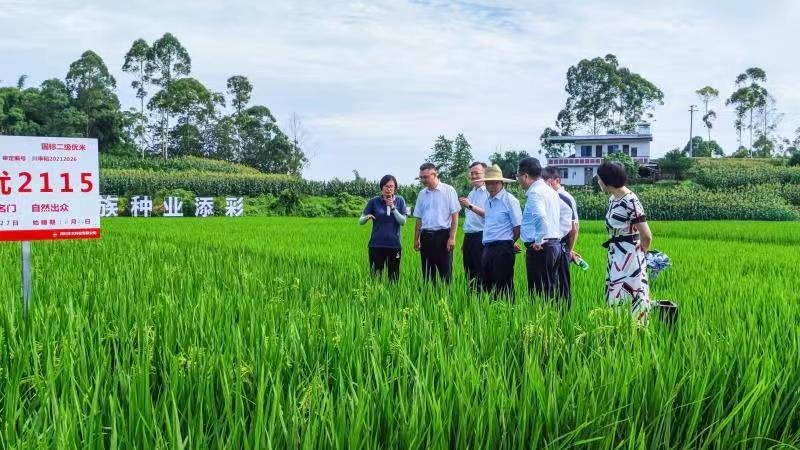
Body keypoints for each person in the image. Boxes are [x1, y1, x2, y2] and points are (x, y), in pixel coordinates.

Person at [597, 161, 653, 324]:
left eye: (600, 179)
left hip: (630, 257)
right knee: (615, 295)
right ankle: (618, 330)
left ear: (607, 179)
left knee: (633, 294)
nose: (599, 182)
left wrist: (640, 258)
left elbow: (647, 235)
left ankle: (637, 333)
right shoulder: (613, 199)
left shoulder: (630, 201)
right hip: (616, 255)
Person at [516, 157, 565, 304]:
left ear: (525, 176)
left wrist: (539, 240)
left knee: (539, 295)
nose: (518, 179)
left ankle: (542, 325)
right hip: (553, 245)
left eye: (518, 176)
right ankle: (551, 323)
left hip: (541, 249)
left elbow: (541, 217)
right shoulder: (550, 191)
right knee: (550, 291)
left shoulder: (535, 192)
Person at [476, 165, 522, 300]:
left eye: (495, 182)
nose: (492, 186)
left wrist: (508, 243)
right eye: (488, 183)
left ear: (501, 182)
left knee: (503, 285)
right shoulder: (488, 200)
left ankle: (508, 313)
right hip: (488, 247)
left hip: (503, 248)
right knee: (488, 284)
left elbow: (518, 227)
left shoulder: (510, 200)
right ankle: (492, 314)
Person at [413, 163, 460, 284]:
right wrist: (416, 239)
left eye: (425, 177)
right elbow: (418, 218)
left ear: (434, 174)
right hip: (426, 237)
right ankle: (430, 299)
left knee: (446, 274)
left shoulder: (449, 190)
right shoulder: (422, 194)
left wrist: (452, 237)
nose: (423, 180)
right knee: (428, 275)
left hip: (443, 236)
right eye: (421, 177)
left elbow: (455, 215)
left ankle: (447, 300)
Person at [542, 166, 579, 306]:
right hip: (548, 245)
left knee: (562, 286)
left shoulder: (565, 198)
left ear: (556, 180)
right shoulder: (545, 197)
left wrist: (569, 251)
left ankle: (564, 319)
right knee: (549, 284)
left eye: (547, 181)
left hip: (561, 246)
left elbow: (574, 228)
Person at [360, 175, 407, 282]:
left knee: (394, 278)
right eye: (386, 186)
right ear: (381, 187)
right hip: (376, 245)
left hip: (394, 245)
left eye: (391, 186)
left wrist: (393, 208)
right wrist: (367, 217)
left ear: (395, 188)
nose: (389, 189)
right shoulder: (374, 201)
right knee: (375, 277)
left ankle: (393, 297)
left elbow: (403, 222)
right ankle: (375, 296)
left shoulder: (400, 201)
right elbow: (360, 221)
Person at [458, 162, 489, 290]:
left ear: (485, 174)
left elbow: (490, 215)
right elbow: (470, 219)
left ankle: (482, 303)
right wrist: (465, 242)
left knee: (480, 272)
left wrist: (470, 205)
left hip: (481, 236)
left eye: (477, 173)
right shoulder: (472, 193)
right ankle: (472, 301)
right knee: (469, 272)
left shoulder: (488, 193)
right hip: (469, 237)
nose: (474, 176)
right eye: (472, 173)